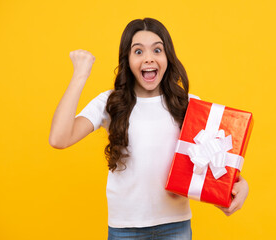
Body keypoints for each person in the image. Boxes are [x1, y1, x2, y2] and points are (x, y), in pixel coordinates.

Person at [49, 18, 249, 240]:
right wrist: (80, 75)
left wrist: (239, 185)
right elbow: (59, 138)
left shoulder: (189, 104)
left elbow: (213, 156)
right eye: (138, 51)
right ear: (127, 59)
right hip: (124, 229)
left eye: (157, 50)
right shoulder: (110, 102)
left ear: (167, 57)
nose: (149, 58)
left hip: (176, 227)